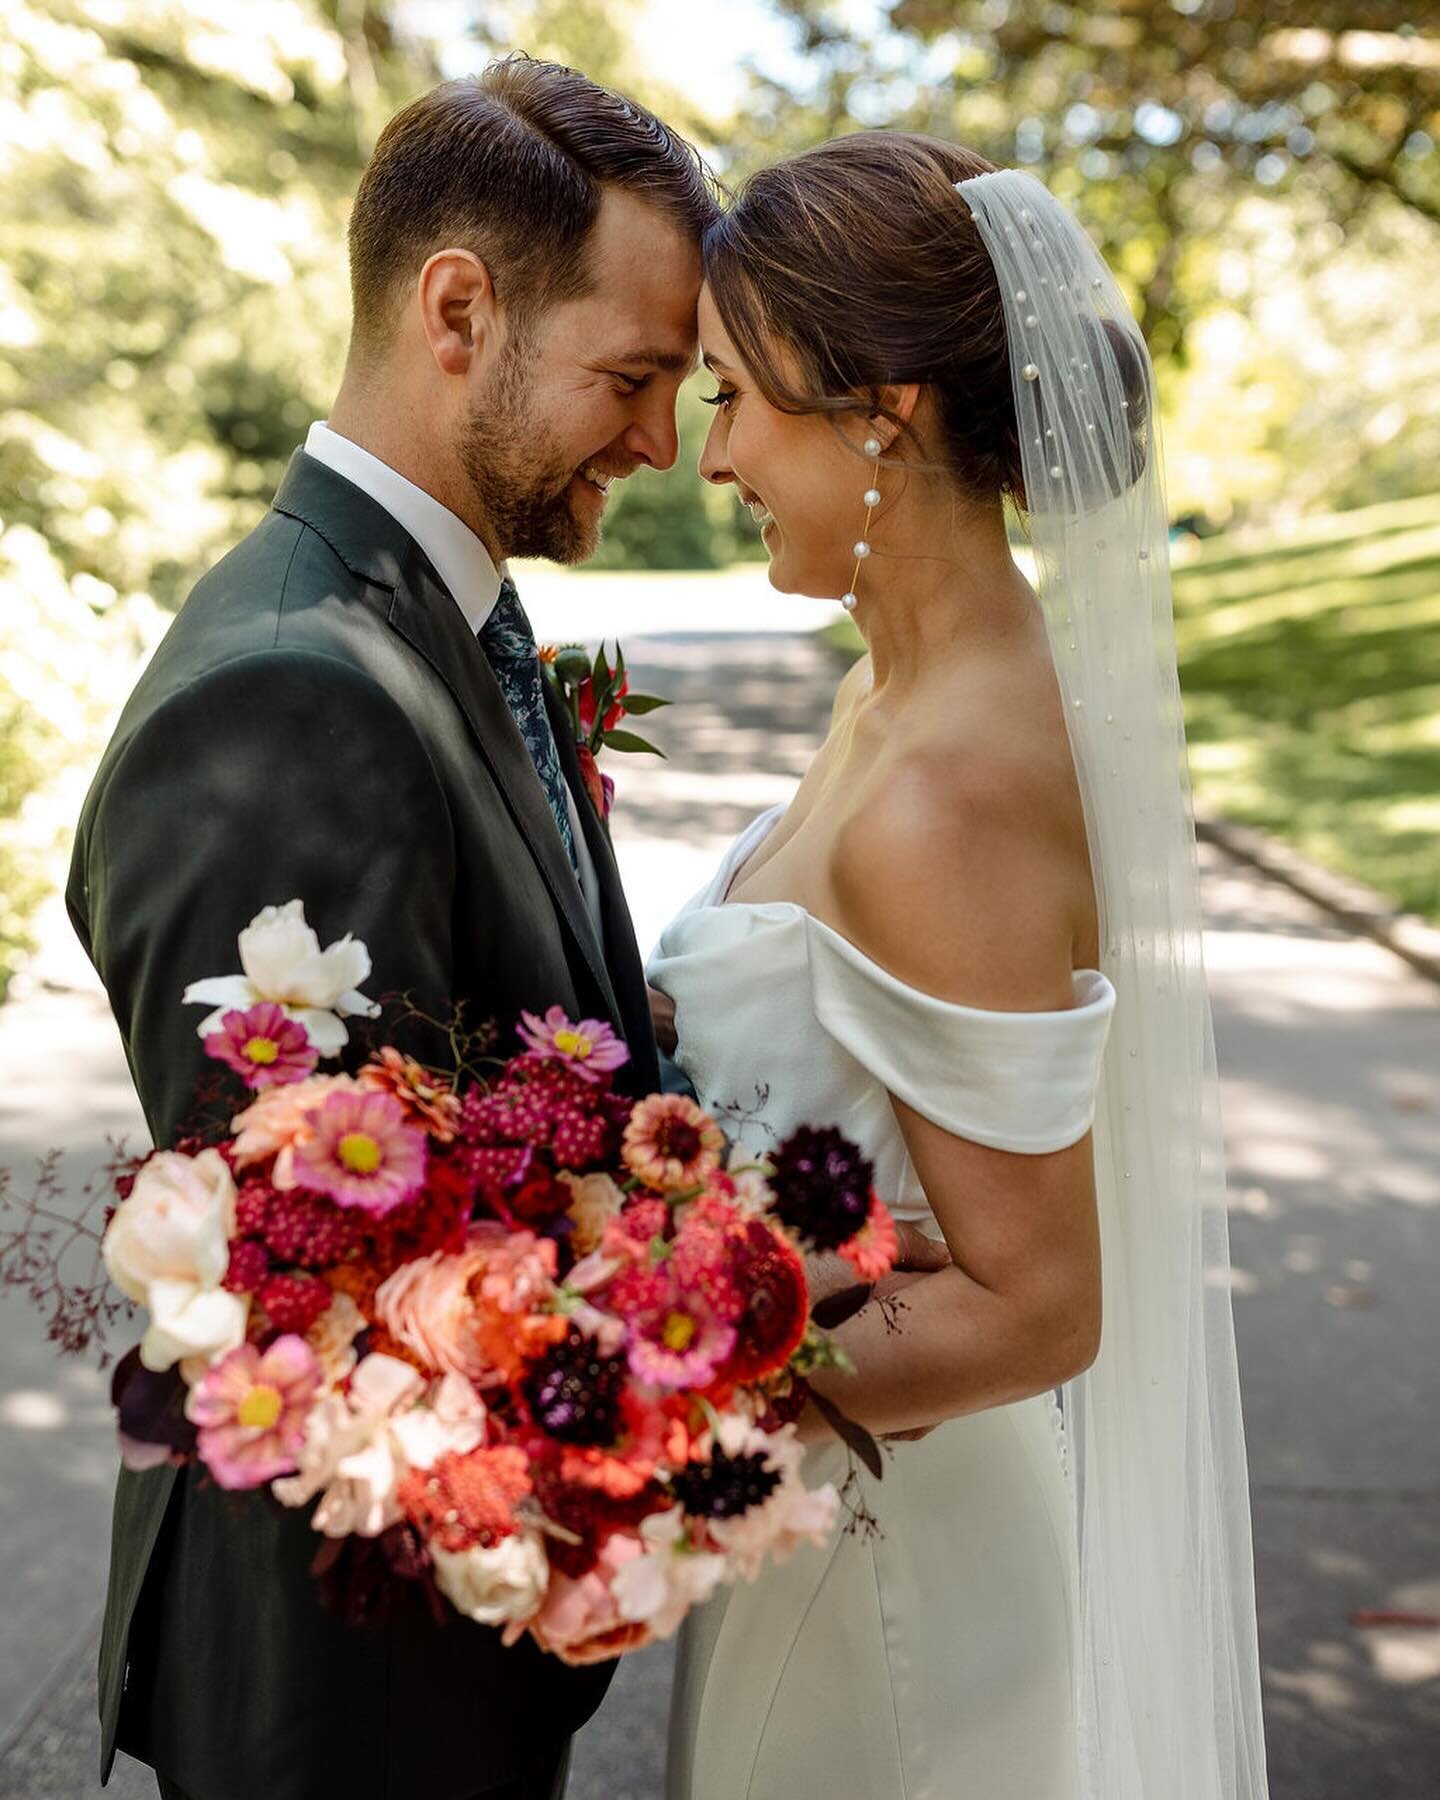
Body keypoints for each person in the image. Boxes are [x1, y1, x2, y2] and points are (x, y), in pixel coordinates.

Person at [67, 56, 712, 1800]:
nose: (662, 444)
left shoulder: (439, 622)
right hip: (345, 1689)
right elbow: (339, 1279)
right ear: (458, 309)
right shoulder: (295, 692)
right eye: (635, 375)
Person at [648, 132, 1269, 1799]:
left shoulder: (950, 790)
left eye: (732, 397)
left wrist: (631, 1363)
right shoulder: (885, 699)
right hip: (819, 1516)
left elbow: (1041, 1302)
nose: (712, 459)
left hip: (894, 1572)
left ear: (882, 409)